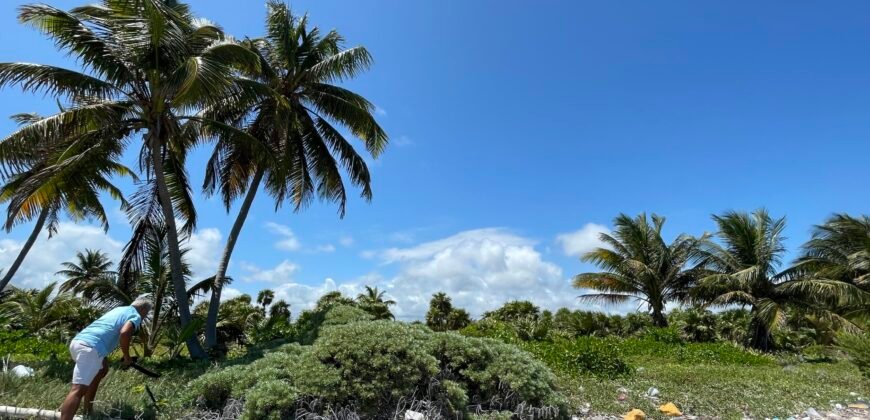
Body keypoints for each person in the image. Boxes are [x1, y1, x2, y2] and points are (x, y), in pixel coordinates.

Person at [60, 298, 151, 420]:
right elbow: (125, 333)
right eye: (146, 313)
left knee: (102, 370)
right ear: (143, 309)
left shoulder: (119, 310)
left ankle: (88, 412)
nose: (145, 317)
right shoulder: (135, 315)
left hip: (78, 342)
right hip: (90, 348)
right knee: (78, 390)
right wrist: (126, 356)